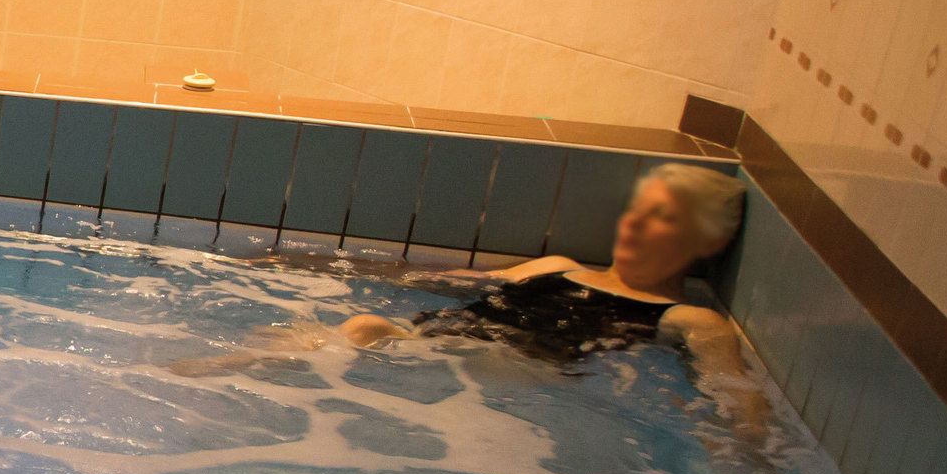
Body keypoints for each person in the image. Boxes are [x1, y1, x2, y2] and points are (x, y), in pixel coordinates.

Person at [178, 162, 765, 429]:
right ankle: (223, 381)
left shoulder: (689, 319)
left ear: (702, 241)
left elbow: (739, 407)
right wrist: (302, 260)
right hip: (447, 342)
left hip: (516, 369)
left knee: (358, 330)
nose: (635, 223)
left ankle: (207, 378)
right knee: (352, 327)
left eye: (660, 218)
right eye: (637, 208)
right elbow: (436, 281)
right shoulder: (559, 266)